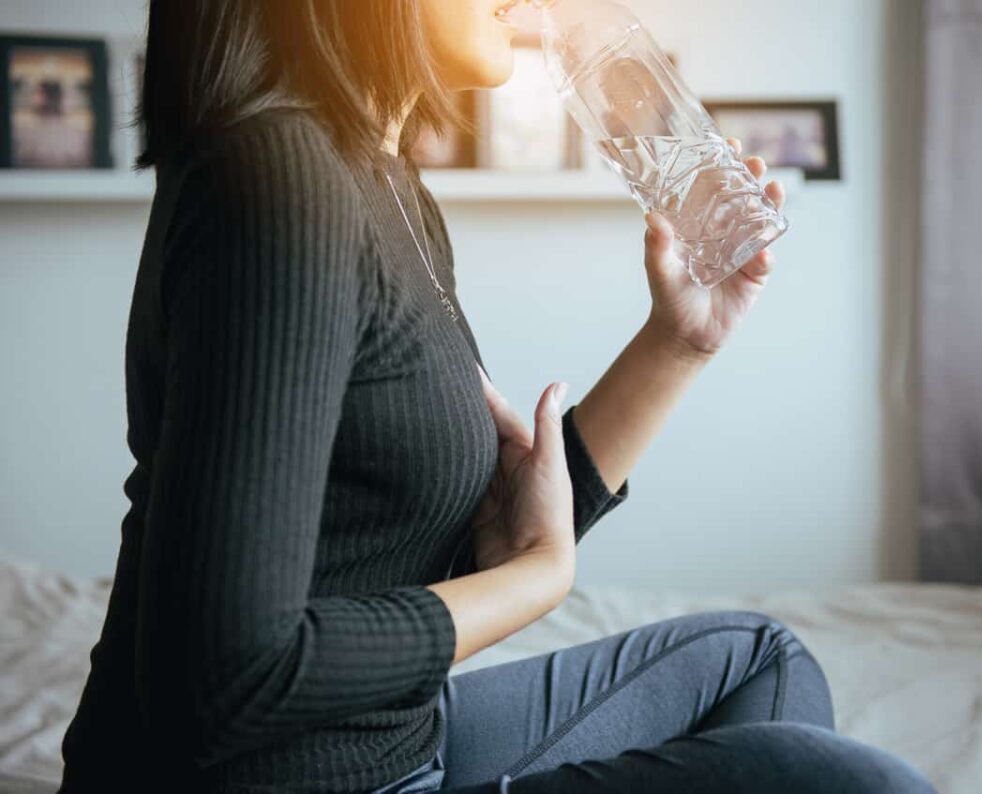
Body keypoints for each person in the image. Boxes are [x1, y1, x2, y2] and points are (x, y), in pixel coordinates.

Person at [57, 1, 937, 792]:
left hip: (393, 737)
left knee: (759, 660)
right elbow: (220, 679)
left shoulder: (386, 183)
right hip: (288, 774)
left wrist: (680, 340)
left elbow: (477, 544)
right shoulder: (281, 180)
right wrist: (542, 579)